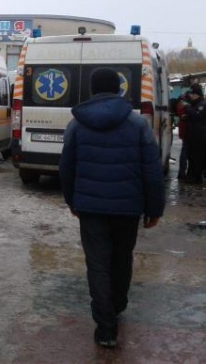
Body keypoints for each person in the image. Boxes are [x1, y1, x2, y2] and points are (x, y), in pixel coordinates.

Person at [59, 67, 165, 349]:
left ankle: (106, 328)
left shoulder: (77, 124)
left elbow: (66, 167)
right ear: (119, 88)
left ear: (93, 89)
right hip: (128, 208)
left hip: (90, 208)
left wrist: (72, 201)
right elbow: (152, 170)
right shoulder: (138, 124)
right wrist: (154, 209)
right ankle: (117, 305)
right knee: (121, 259)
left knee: (97, 264)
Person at [181, 84, 206, 184]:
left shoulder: (202, 104)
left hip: (199, 136)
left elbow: (197, 115)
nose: (190, 96)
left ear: (196, 94)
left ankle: (196, 177)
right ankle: (192, 176)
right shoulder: (196, 104)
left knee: (197, 157)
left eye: (192, 94)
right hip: (194, 135)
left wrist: (186, 106)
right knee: (192, 157)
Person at [175, 90, 190, 179]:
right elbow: (182, 115)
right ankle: (182, 172)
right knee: (185, 151)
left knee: (185, 151)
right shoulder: (183, 100)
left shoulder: (182, 100)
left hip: (185, 129)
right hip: (186, 129)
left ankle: (183, 172)